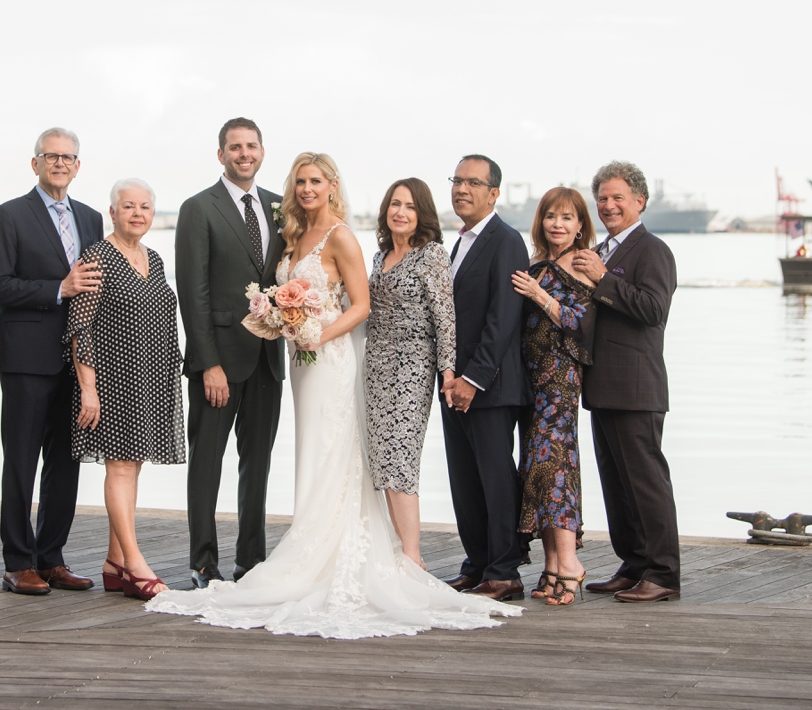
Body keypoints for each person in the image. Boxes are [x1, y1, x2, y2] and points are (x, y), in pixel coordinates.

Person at [147, 153, 520, 637]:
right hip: (302, 363)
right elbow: (318, 296)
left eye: (315, 180)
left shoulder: (342, 234)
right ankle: (313, 537)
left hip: (331, 358)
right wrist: (276, 316)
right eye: (300, 180)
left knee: (335, 450)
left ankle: (351, 552)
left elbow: (361, 306)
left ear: (332, 185)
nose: (306, 188)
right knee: (313, 451)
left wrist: (317, 335)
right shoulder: (291, 235)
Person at [0, 128, 104, 596]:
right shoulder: (10, 215)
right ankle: (18, 562)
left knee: (65, 463)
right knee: (20, 462)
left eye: (67, 157)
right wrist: (59, 288)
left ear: (78, 166)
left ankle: (51, 558)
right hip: (26, 358)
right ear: (34, 163)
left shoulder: (92, 219)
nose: (59, 163)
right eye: (50, 156)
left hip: (80, 362)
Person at [174, 118, 286, 587]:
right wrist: (207, 364)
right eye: (235, 147)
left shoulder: (280, 208)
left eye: (251, 146)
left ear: (262, 152)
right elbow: (192, 292)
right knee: (207, 461)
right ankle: (203, 562)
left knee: (256, 464)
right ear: (221, 154)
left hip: (268, 357)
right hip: (218, 360)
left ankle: (252, 561)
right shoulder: (198, 208)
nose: (244, 154)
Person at [65, 179, 185, 600]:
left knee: (132, 467)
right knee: (119, 467)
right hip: (111, 379)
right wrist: (89, 388)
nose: (137, 213)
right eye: (128, 206)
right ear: (112, 212)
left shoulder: (153, 257)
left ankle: (114, 561)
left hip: (148, 377)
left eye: (145, 206)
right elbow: (80, 326)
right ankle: (135, 564)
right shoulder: (97, 256)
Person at [570, 161, 682, 603]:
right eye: (602, 198)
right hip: (603, 387)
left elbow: (654, 310)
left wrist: (602, 278)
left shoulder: (652, 250)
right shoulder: (603, 250)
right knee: (616, 483)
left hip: (637, 388)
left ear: (640, 201)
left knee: (646, 483)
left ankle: (663, 573)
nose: (608, 205)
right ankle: (633, 563)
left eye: (618, 198)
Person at [438, 154, 530, 601]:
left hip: (489, 386)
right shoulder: (458, 243)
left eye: (473, 182)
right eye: (457, 180)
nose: (462, 189)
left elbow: (503, 317)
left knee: (495, 480)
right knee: (465, 481)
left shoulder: (506, 240)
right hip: (452, 385)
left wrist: (472, 380)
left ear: (494, 193)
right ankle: (476, 565)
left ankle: (504, 572)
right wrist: (449, 377)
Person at [510, 187, 596, 606]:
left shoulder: (580, 265)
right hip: (531, 376)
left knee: (555, 465)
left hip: (560, 376)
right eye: (550, 216)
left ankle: (570, 564)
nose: (557, 224)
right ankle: (551, 566)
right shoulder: (535, 262)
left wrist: (539, 295)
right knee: (536, 470)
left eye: (567, 217)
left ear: (580, 225)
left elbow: (579, 324)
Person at [364, 178, 455, 568]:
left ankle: (413, 559)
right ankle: (401, 552)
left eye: (410, 207)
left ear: (422, 215)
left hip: (413, 367)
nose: (401, 212)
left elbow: (446, 318)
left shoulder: (432, 254)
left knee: (401, 459)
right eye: (395, 204)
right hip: (374, 366)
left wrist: (448, 371)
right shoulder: (379, 255)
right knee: (382, 460)